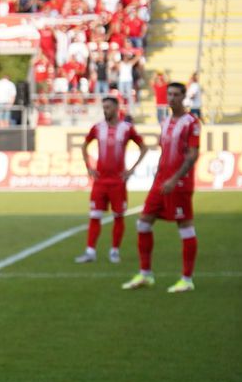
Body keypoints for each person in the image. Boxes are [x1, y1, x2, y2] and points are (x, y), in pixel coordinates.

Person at [123, 82, 200, 294]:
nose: (171, 98)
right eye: (169, 94)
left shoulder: (191, 122)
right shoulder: (165, 121)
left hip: (179, 183)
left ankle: (187, 279)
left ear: (183, 97)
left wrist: (174, 179)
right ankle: (145, 274)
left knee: (185, 227)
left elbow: (193, 155)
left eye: (176, 95)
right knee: (143, 223)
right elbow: (164, 152)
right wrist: (158, 177)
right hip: (160, 182)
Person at [75, 96, 147, 265]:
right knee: (94, 216)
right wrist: (88, 167)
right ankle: (90, 252)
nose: (105, 110)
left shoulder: (127, 128)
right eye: (104, 107)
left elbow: (143, 148)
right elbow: (84, 145)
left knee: (118, 217)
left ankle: (114, 251)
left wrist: (132, 169)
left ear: (116, 108)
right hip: (100, 181)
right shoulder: (97, 128)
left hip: (118, 182)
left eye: (108, 107)